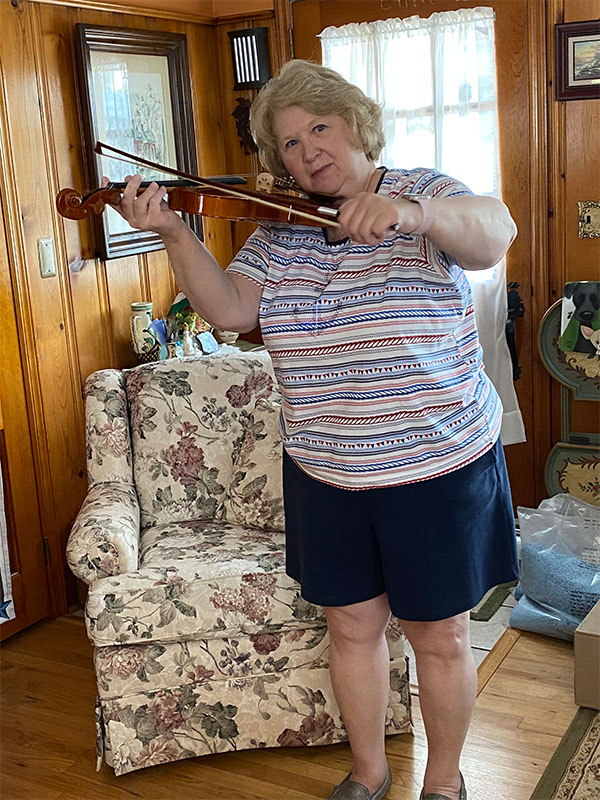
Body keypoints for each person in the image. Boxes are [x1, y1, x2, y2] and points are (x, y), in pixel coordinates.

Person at [108, 59, 520, 800]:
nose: (306, 152)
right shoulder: (280, 233)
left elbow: (495, 235)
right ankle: (368, 774)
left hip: (437, 465)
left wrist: (410, 214)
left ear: (357, 125)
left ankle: (447, 783)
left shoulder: (425, 191)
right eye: (289, 144)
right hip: (327, 473)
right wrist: (172, 230)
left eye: (318, 128)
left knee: (442, 634)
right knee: (351, 630)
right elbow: (232, 311)